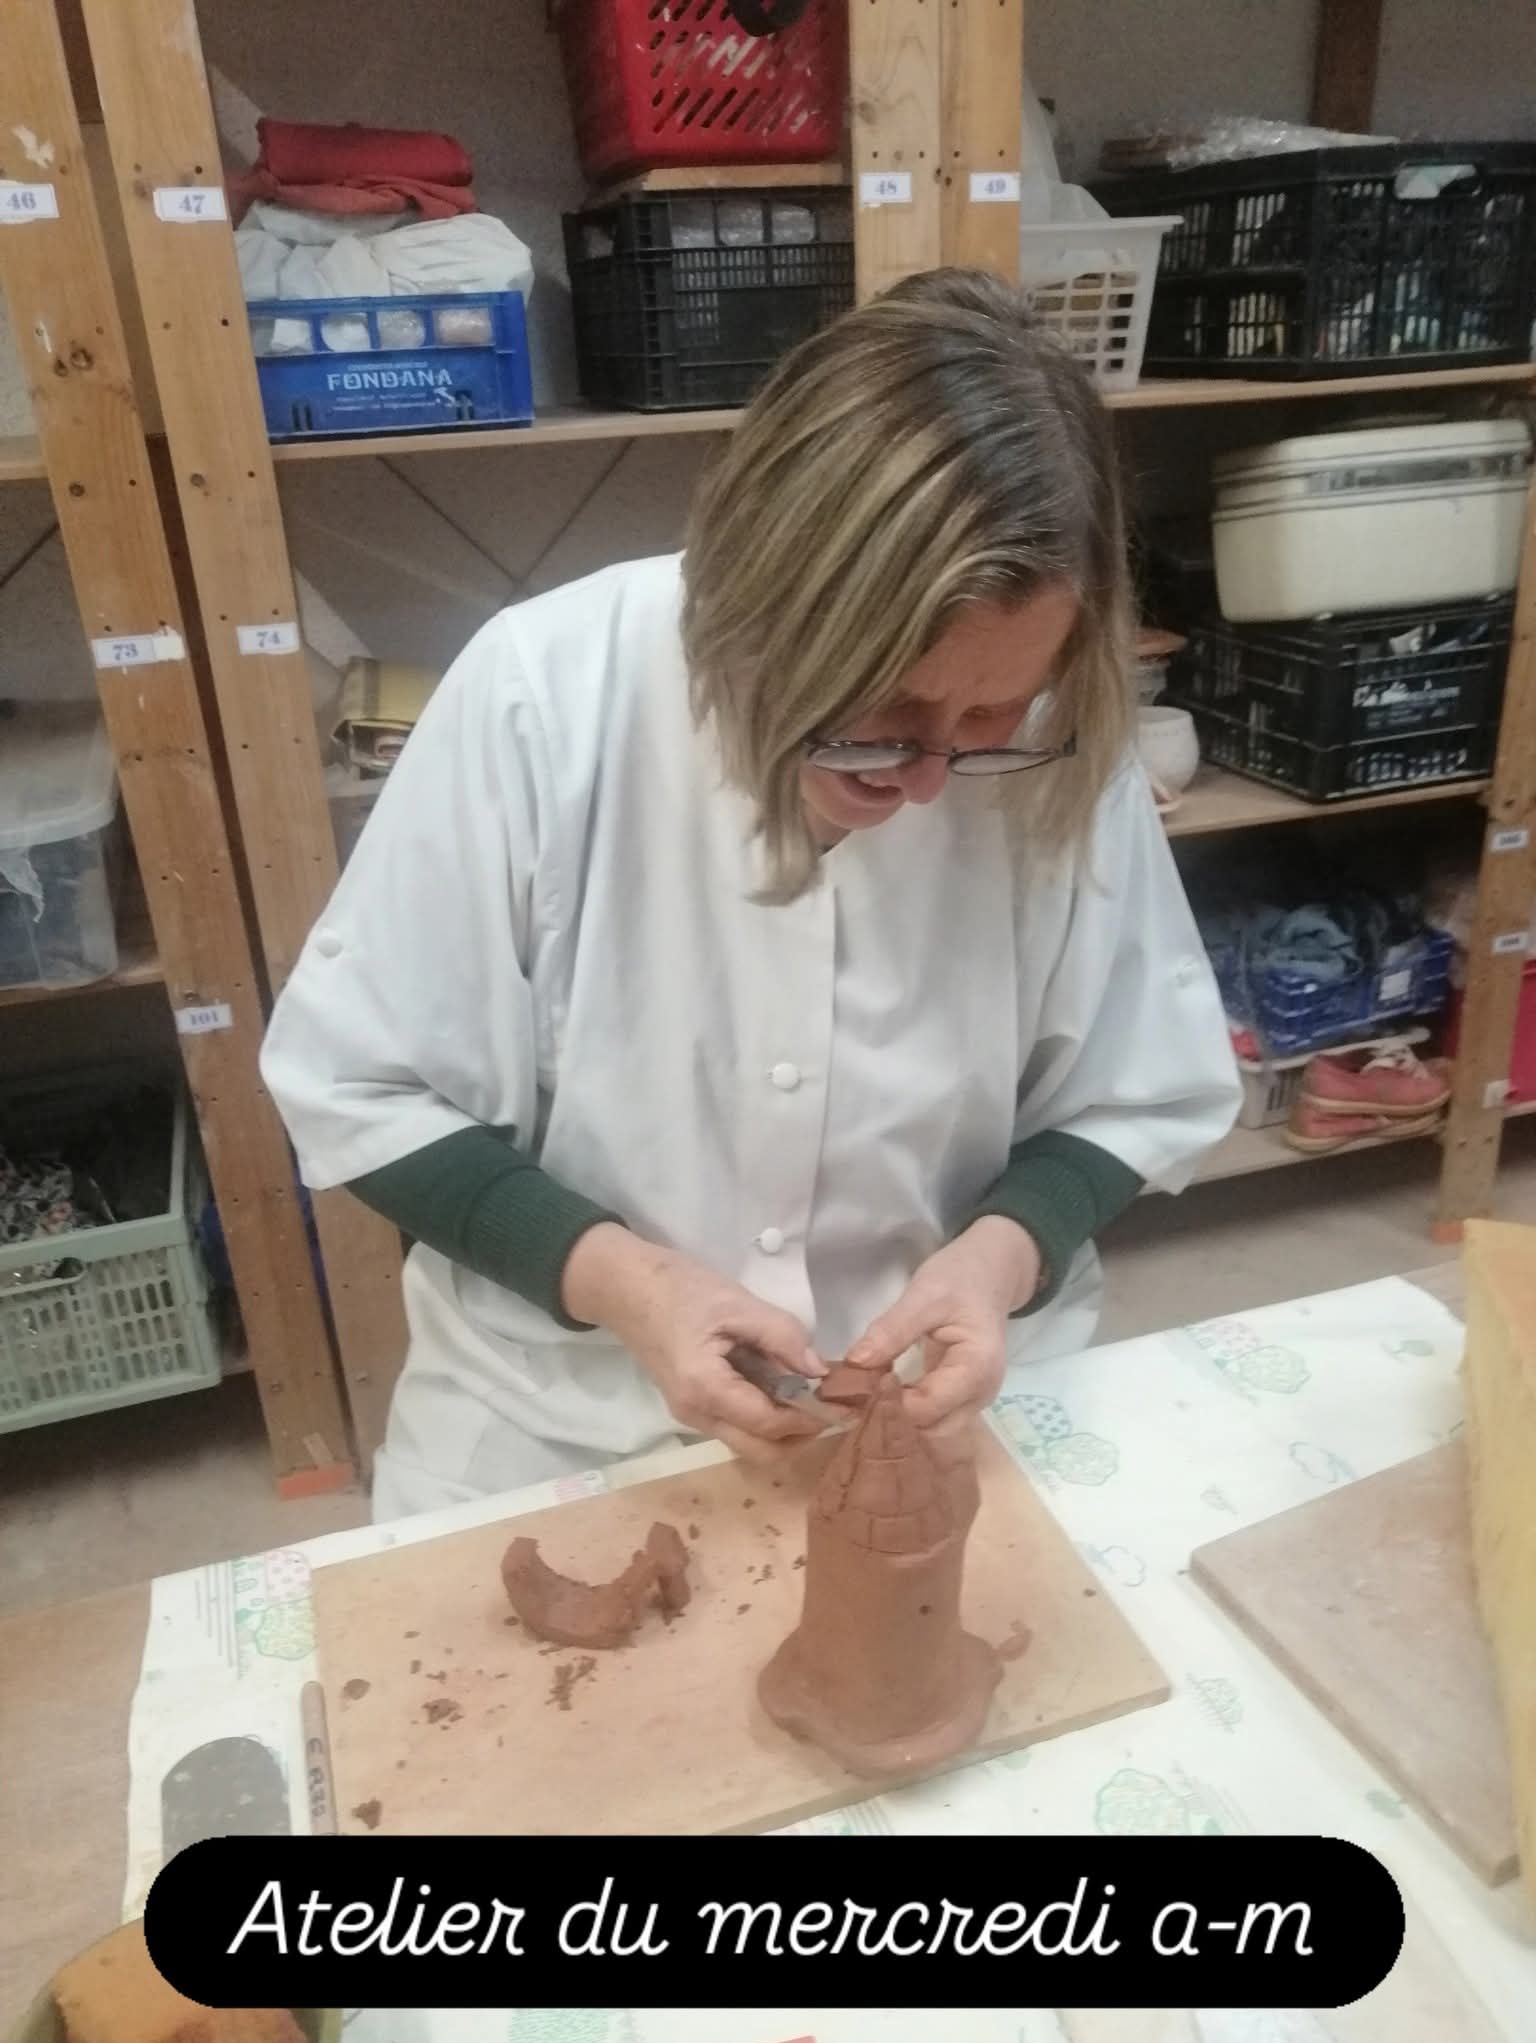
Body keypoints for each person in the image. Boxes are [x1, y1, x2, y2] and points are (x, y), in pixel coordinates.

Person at [261, 267, 1241, 1522]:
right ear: (752, 611)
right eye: (880, 714)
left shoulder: (1061, 731)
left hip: (943, 1399)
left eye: (988, 715)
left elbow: (1137, 1086)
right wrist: (627, 1282)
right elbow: (360, 1084)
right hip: (562, 1411)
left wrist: (1001, 1259)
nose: (927, 778)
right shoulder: (542, 693)